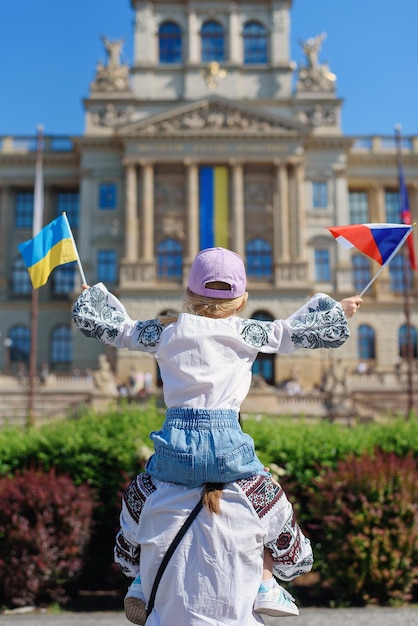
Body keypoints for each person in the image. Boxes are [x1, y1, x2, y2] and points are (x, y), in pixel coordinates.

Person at [72, 246, 362, 621]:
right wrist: (340, 310)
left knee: (141, 494)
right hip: (227, 444)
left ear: (189, 294)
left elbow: (123, 330)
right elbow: (290, 333)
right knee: (268, 495)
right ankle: (266, 582)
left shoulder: (166, 328)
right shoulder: (246, 331)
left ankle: (141, 581)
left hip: (175, 443)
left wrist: (90, 301)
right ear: (242, 301)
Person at [115, 473, 314, 625]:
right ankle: (267, 585)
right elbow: (297, 562)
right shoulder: (259, 490)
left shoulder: (144, 489)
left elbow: (126, 562)